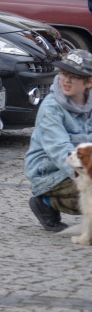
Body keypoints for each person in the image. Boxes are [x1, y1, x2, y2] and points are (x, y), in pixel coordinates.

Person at [24, 50, 92, 232]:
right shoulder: (51, 108)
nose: (66, 80)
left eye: (74, 76)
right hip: (50, 172)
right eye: (63, 74)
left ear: (89, 82)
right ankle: (45, 202)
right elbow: (61, 150)